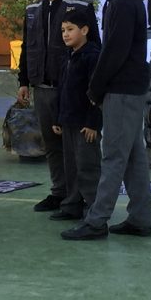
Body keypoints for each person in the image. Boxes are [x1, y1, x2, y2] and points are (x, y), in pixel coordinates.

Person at [61, 0, 151, 241]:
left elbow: (114, 51)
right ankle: (139, 218)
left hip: (122, 90)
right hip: (129, 88)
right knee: (134, 156)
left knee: (113, 156)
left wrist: (95, 88)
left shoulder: (124, 3)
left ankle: (97, 220)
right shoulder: (123, 1)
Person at [17, 0, 100, 213]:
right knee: (51, 145)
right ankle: (59, 192)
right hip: (42, 88)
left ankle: (78, 198)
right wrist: (23, 81)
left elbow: (94, 49)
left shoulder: (80, 8)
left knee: (75, 148)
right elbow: (27, 48)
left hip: (73, 91)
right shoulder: (32, 10)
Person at [49, 11, 102, 222]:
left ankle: (95, 208)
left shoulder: (92, 56)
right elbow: (61, 89)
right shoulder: (68, 56)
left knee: (88, 165)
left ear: (85, 30)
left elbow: (97, 93)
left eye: (70, 29)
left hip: (84, 124)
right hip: (68, 120)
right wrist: (57, 118)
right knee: (70, 165)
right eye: (63, 30)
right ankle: (72, 205)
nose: (65, 34)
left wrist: (93, 123)